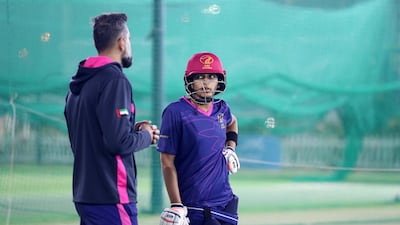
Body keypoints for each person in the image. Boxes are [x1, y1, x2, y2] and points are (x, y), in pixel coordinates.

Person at [64, 13, 159, 225]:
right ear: (121, 42)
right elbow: (118, 142)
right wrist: (146, 135)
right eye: (130, 39)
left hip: (86, 195)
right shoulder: (114, 80)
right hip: (112, 197)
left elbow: (93, 135)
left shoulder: (78, 84)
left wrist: (131, 129)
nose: (130, 44)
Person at [157, 52, 240, 225]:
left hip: (226, 203)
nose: (206, 82)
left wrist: (230, 147)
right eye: (200, 77)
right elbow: (166, 162)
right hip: (195, 207)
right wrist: (176, 204)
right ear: (190, 81)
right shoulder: (175, 112)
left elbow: (233, 122)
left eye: (211, 77)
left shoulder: (222, 109)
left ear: (219, 80)